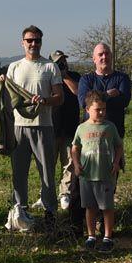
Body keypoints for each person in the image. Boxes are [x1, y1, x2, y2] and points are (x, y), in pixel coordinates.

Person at [0, 26, 63, 230]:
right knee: (19, 172)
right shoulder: (14, 67)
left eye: (37, 40)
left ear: (41, 42)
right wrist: (1, 84)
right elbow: (9, 97)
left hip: (43, 126)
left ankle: (50, 211)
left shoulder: (50, 67)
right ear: (22, 42)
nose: (33, 44)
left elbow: (59, 98)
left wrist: (44, 100)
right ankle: (20, 211)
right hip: (19, 127)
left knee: (46, 173)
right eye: (29, 40)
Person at [71, 91, 123, 252]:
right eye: (97, 109)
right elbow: (75, 147)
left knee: (107, 207)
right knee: (90, 207)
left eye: (103, 109)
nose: (101, 112)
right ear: (87, 109)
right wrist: (76, 164)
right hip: (87, 175)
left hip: (105, 174)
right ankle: (91, 236)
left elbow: (118, 145)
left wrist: (116, 163)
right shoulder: (81, 128)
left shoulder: (110, 127)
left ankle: (107, 237)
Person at [77, 42, 132, 138]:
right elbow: (84, 102)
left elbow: (124, 101)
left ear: (111, 56)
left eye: (107, 54)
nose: (104, 57)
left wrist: (95, 100)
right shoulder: (86, 79)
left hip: (115, 132)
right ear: (94, 59)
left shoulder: (122, 78)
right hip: (90, 133)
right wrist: (107, 94)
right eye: (100, 54)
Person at [49, 50, 81, 211]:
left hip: (70, 127)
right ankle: (46, 195)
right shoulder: (47, 77)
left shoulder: (74, 75)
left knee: (68, 163)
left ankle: (65, 193)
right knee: (49, 163)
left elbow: (78, 92)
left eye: (64, 61)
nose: (63, 64)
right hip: (52, 127)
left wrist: (64, 75)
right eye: (58, 62)